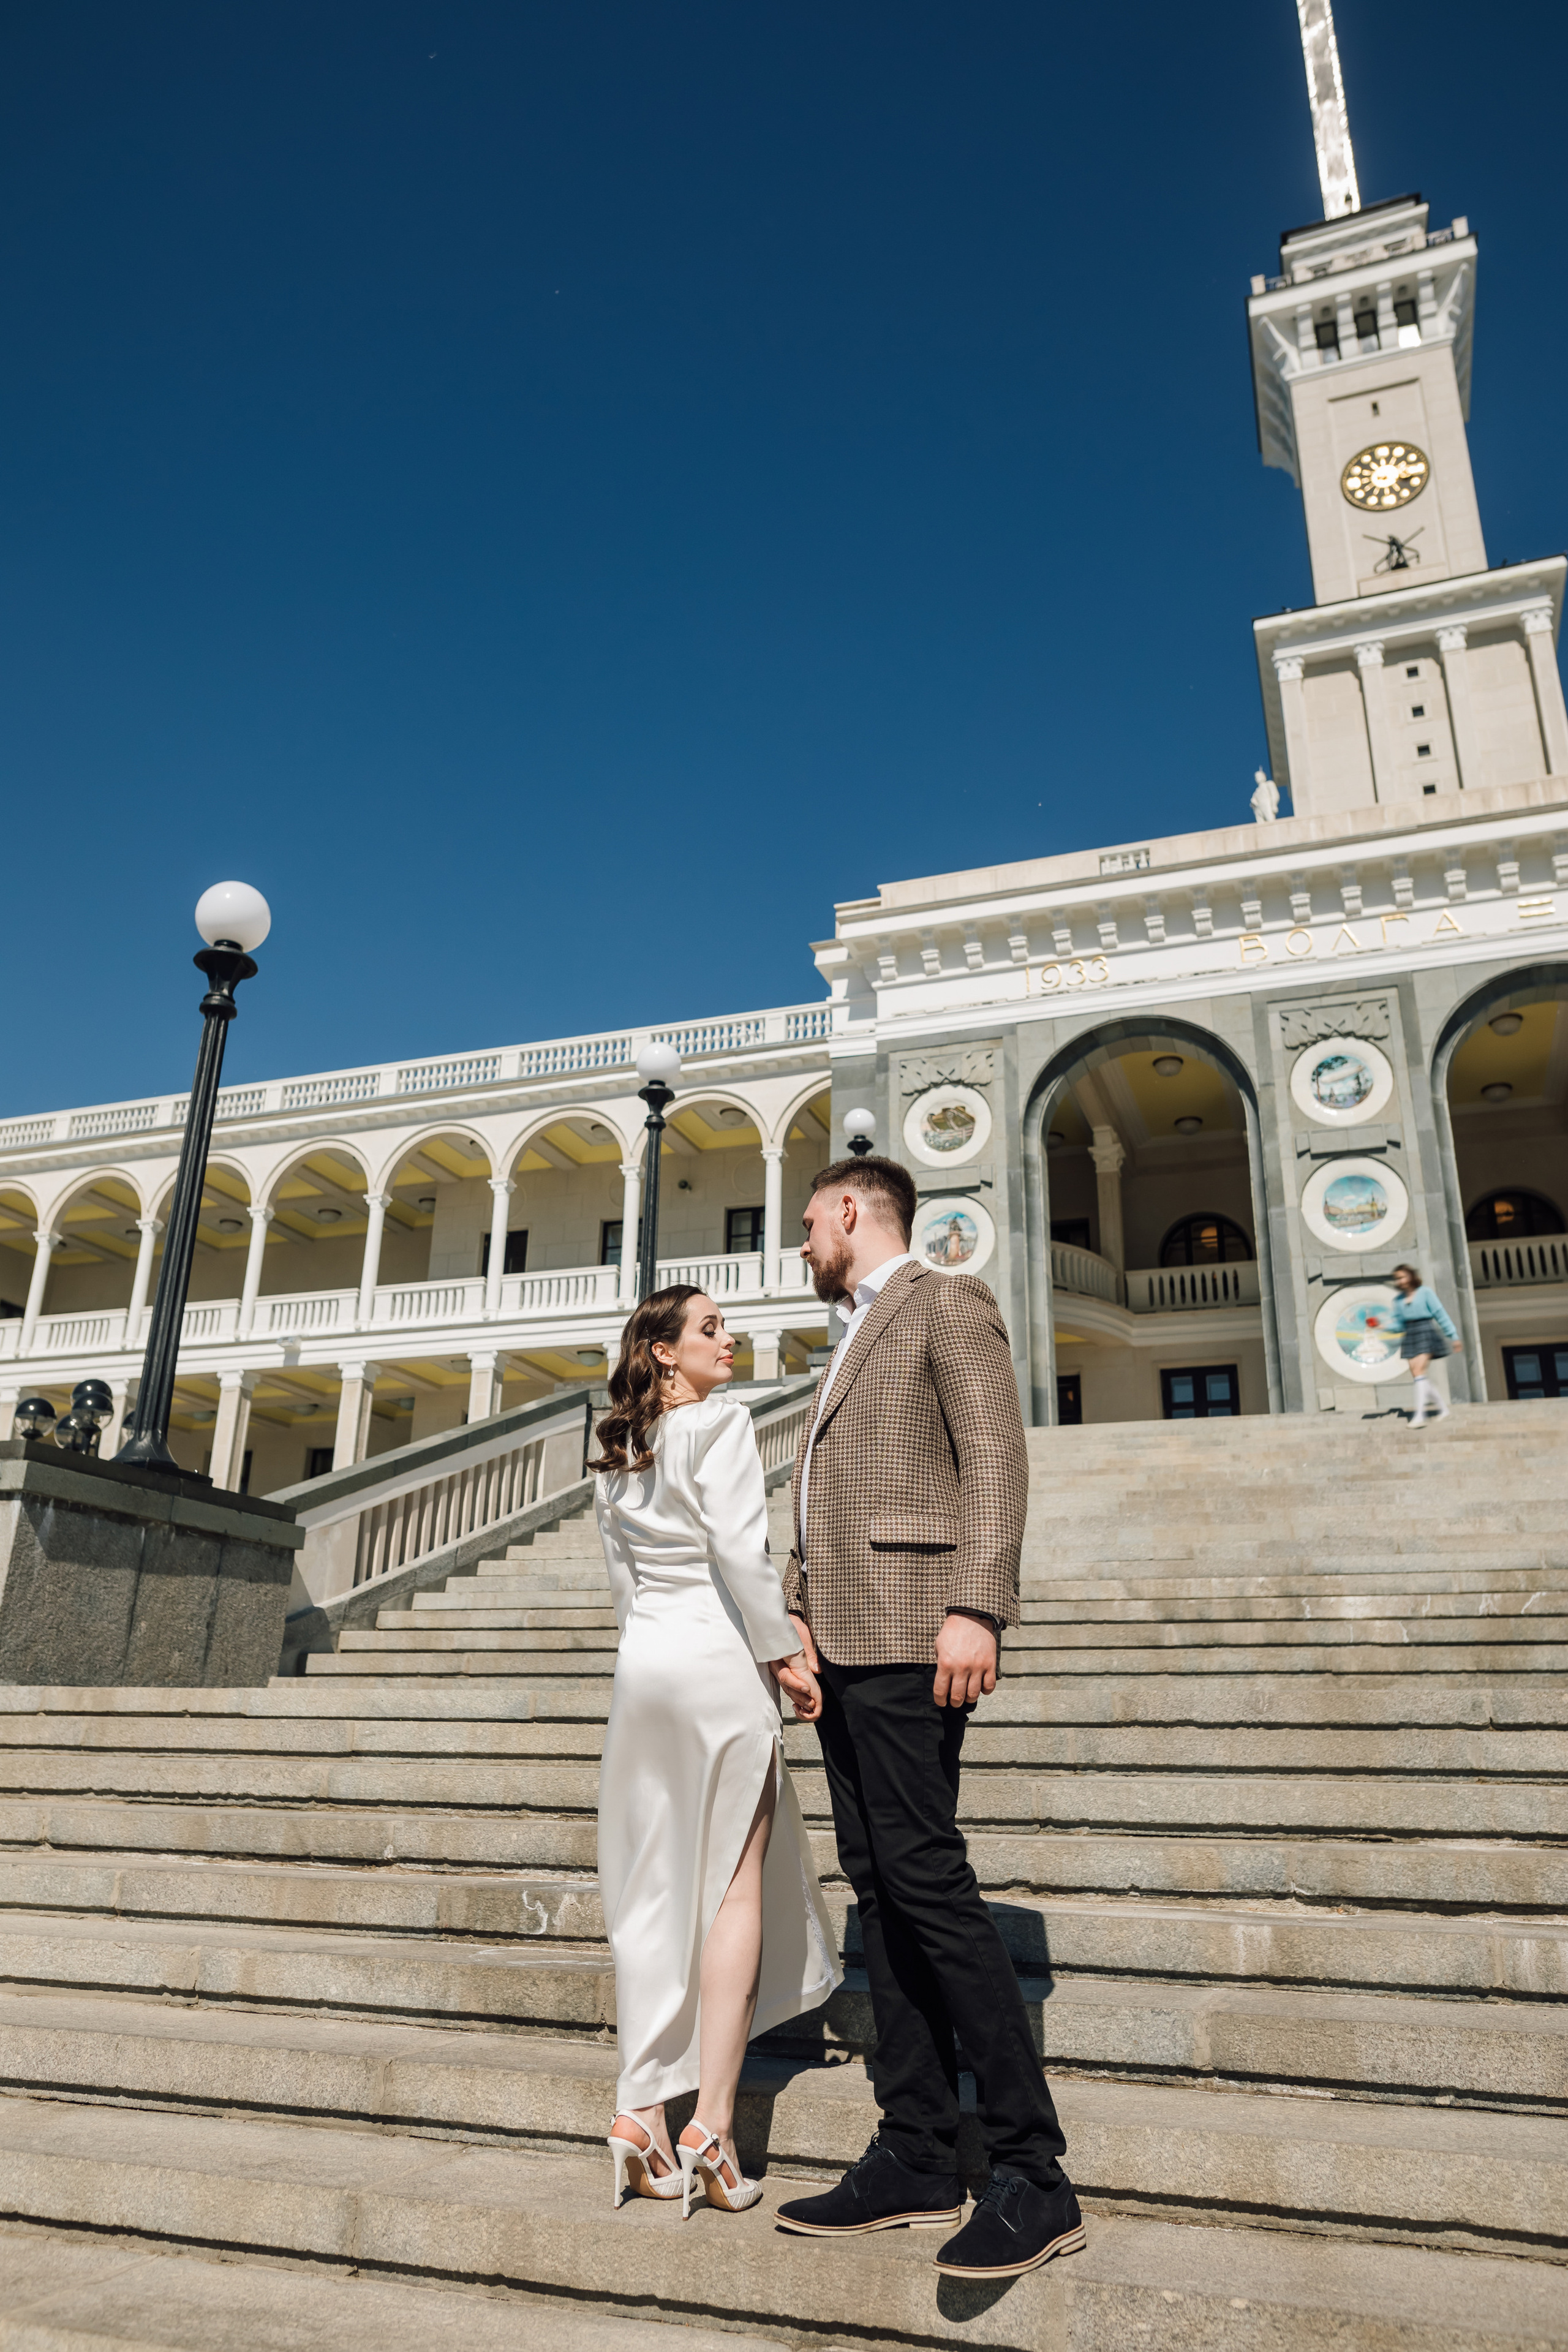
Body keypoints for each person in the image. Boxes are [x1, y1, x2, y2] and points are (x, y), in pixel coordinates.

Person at [773, 1156, 1083, 2282]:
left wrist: (976, 1603)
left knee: (926, 1876)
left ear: (852, 1211)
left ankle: (1033, 2171)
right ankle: (912, 2148)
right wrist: (798, 1616)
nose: (801, 1241)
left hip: (917, 1629)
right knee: (880, 1880)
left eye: (808, 1222)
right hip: (844, 1640)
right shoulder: (848, 1333)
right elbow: (821, 1497)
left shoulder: (944, 1300)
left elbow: (994, 1454)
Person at [592, 1285, 840, 2220]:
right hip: (711, 1663)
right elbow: (742, 1554)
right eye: (709, 1330)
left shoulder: (619, 1449)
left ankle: (639, 2111)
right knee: (736, 1891)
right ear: (663, 1352)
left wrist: (643, 1658)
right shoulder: (721, 1428)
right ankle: (714, 2127)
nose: (727, 1342)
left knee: (652, 1890)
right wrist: (784, 1655)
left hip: (642, 1671)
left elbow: (621, 1586)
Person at [1388, 1263, 1462, 1427]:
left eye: (1402, 1276)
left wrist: (1453, 1336)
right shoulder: (1398, 1301)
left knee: (1419, 1371)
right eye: (1397, 1278)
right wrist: (1382, 1327)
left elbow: (1439, 1313)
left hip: (1425, 1329)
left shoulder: (1425, 1292)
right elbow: (1399, 1325)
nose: (1400, 1281)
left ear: (1411, 1276)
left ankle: (1419, 1416)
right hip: (1410, 1332)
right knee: (1418, 1375)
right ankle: (1443, 1409)